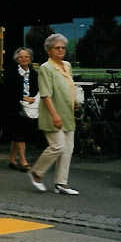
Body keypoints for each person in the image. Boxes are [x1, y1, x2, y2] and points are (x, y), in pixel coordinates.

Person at [27, 33, 79, 195]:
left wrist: (75, 102)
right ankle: (37, 172)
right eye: (57, 48)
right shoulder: (45, 68)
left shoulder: (67, 65)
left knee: (68, 149)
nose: (61, 50)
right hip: (52, 114)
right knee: (58, 146)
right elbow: (45, 94)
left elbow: (69, 87)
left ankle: (61, 184)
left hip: (68, 112)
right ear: (49, 50)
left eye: (63, 48)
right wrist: (55, 115)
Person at [3, 47, 39, 172]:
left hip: (30, 108)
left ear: (30, 59)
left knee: (18, 134)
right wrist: (23, 97)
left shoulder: (34, 73)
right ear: (17, 59)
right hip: (14, 107)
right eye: (21, 57)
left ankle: (12, 160)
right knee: (20, 133)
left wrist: (32, 99)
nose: (24, 59)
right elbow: (6, 92)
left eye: (26, 57)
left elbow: (37, 90)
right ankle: (23, 161)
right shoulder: (11, 72)